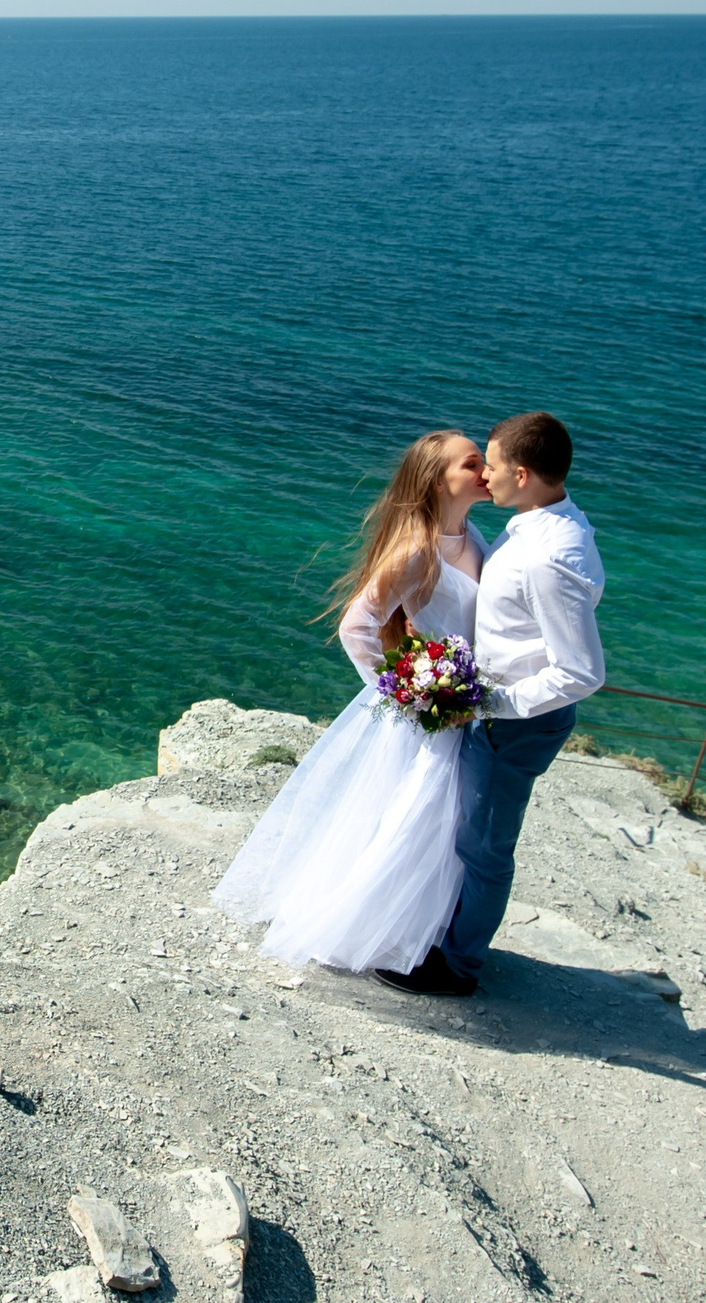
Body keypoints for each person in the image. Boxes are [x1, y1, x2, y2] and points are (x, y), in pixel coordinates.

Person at [212, 431, 493, 974]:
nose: (485, 469)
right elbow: (357, 625)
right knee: (413, 821)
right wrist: (406, 691)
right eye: (472, 462)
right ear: (439, 480)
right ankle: (369, 930)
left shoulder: (471, 534)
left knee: (436, 826)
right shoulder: (417, 549)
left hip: (458, 710)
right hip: (429, 716)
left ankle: (414, 930)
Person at [376, 410, 605, 998]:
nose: (488, 476)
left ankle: (458, 968)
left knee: (483, 847)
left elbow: (581, 670)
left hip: (515, 724)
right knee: (471, 837)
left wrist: (488, 702)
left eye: (495, 465)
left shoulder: (547, 555)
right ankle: (453, 938)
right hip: (499, 714)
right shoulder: (538, 522)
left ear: (523, 474)